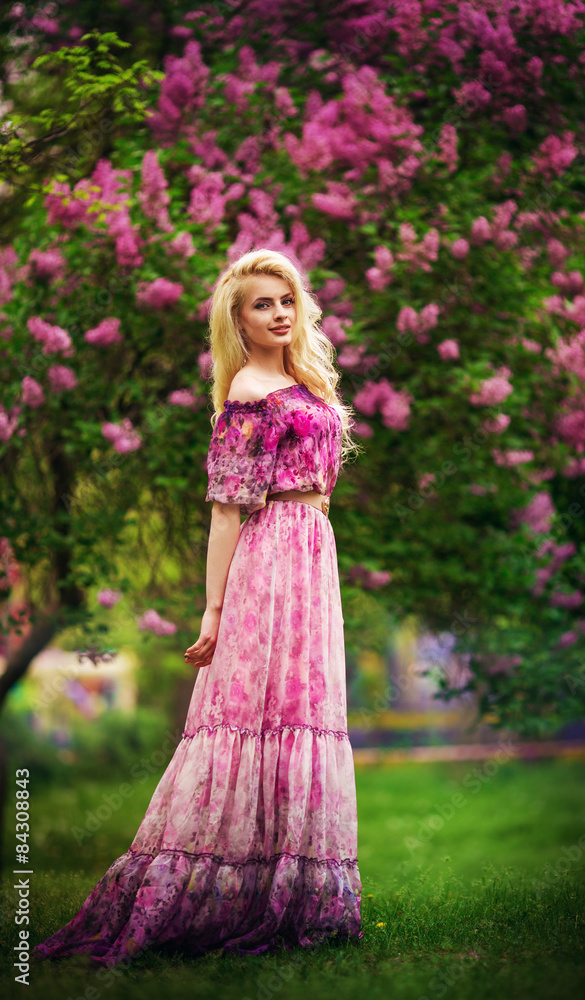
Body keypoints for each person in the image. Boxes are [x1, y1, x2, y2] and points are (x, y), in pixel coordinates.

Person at [33, 248, 364, 965]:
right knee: (254, 715)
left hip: (312, 551)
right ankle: (221, 889)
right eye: (262, 304)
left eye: (286, 300)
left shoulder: (302, 377)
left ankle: (290, 888)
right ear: (237, 321)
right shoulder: (249, 390)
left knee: (299, 711)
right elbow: (224, 511)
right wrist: (214, 611)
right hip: (272, 555)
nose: (279, 312)